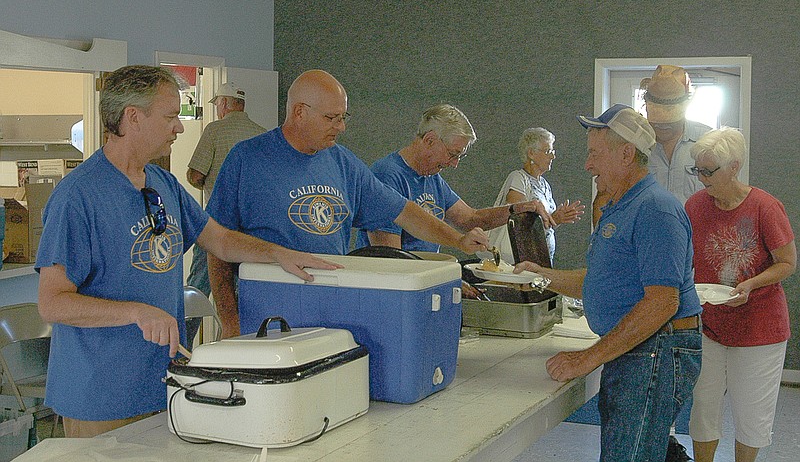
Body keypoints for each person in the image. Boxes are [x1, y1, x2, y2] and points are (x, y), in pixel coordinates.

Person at [34, 65, 340, 438]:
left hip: (162, 386)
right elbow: (53, 303)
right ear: (133, 117)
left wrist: (277, 253)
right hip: (101, 395)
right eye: (170, 116)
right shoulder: (78, 197)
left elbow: (221, 240)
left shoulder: (163, 183)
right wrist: (136, 312)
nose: (179, 127)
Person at [206, 70, 488, 337]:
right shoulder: (247, 159)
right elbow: (217, 248)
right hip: (266, 316)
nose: (341, 127)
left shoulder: (343, 163)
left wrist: (459, 241)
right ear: (299, 112)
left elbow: (405, 212)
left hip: (331, 312)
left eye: (343, 117)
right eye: (331, 118)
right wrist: (231, 321)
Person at [516, 104, 702, 461]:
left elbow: (663, 302)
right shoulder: (622, 206)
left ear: (626, 153)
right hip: (641, 347)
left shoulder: (655, 209)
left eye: (594, 154)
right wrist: (542, 276)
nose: (588, 164)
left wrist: (587, 359)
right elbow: (605, 280)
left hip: (656, 348)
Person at [685, 128, 796, 462]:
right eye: (698, 170)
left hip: (760, 327)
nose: (702, 178)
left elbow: (787, 263)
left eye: (709, 171)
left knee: (751, 413)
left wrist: (751, 284)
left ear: (733, 167)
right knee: (703, 407)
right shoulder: (695, 205)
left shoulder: (765, 207)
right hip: (709, 323)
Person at [355, 104, 555, 256]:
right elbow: (391, 257)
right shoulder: (387, 175)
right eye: (453, 154)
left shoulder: (433, 178)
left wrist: (517, 209)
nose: (454, 164)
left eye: (460, 156)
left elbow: (471, 219)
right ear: (430, 140)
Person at [592, 65, 712, 226]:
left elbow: (725, 198)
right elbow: (604, 200)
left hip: (696, 242)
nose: (663, 127)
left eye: (671, 121)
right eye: (658, 120)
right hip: (642, 241)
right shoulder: (630, 145)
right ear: (646, 105)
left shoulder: (708, 141)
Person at [185, 82, 266, 298]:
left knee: (197, 289)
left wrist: (205, 185)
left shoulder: (214, 130)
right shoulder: (263, 134)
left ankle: (184, 331)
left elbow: (196, 174)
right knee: (245, 289)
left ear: (223, 104)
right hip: (252, 227)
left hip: (216, 224)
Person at [488, 127, 584, 264]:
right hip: (522, 261)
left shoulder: (544, 184)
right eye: (548, 151)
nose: (553, 156)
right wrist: (553, 218)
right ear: (531, 153)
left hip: (541, 257)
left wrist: (557, 219)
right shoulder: (518, 178)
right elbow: (517, 221)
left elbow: (545, 224)